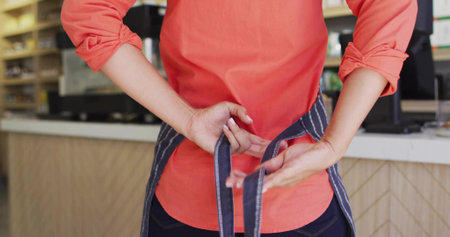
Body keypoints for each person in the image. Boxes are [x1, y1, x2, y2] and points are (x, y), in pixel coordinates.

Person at [61, 0, 417, 236]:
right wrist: (332, 144)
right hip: (297, 187)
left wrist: (188, 120)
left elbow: (88, 13)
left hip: (194, 195)